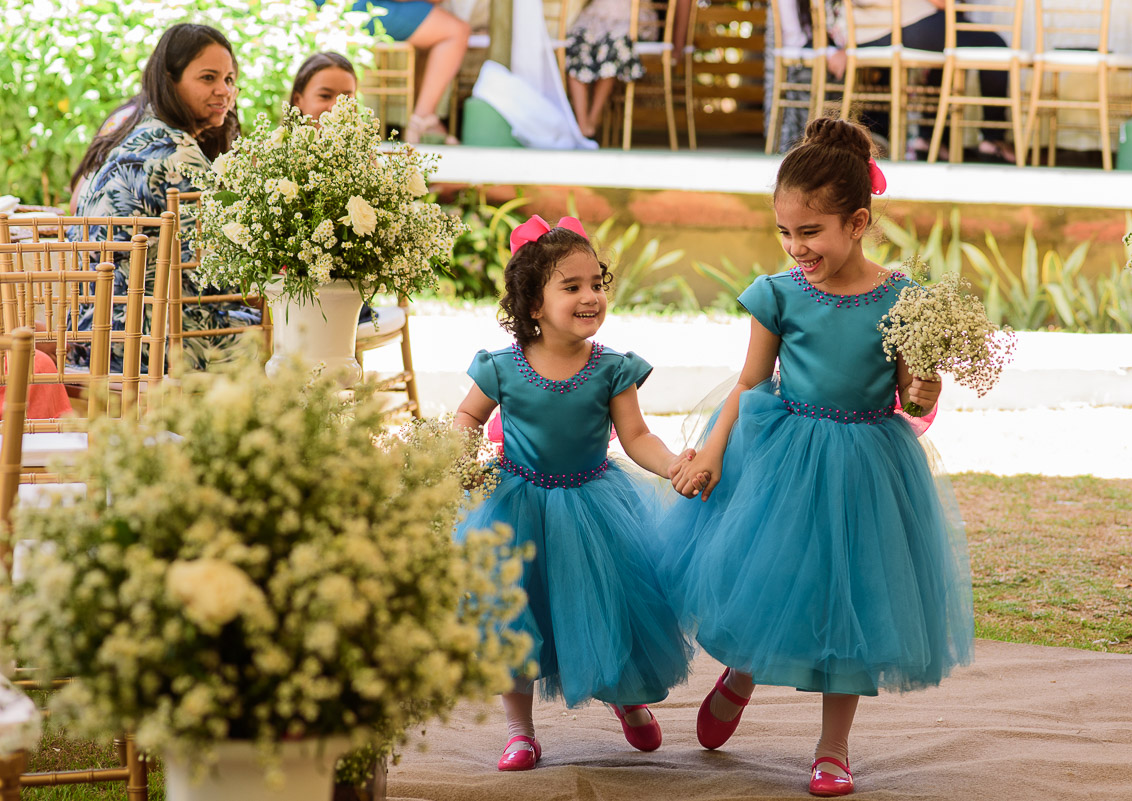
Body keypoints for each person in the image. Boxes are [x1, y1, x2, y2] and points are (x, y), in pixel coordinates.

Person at [662, 117, 975, 797]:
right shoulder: (778, 294)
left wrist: (927, 385)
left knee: (851, 600)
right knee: (769, 575)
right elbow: (750, 384)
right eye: (784, 231)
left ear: (857, 223)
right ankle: (744, 668)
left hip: (867, 464)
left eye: (810, 232)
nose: (795, 246)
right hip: (784, 457)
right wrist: (712, 451)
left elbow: (912, 395)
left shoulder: (903, 300)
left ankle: (833, 747)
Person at [453, 214, 696, 772]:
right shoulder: (502, 367)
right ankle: (520, 731)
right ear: (533, 305)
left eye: (596, 284)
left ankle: (626, 696)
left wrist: (670, 465)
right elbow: (467, 416)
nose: (590, 296)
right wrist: (459, 456)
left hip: (593, 505)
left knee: (613, 606)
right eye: (571, 287)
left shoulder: (612, 368)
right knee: (514, 615)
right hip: (517, 506)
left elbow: (636, 436)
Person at [69, 23, 259, 372]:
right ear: (170, 80)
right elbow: (219, 278)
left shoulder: (128, 130)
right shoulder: (179, 155)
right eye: (208, 78)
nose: (224, 91)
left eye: (229, 79)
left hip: (87, 340)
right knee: (290, 336)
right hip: (148, 345)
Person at [289, 52, 409, 341]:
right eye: (325, 96)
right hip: (291, 297)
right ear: (298, 101)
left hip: (350, 295)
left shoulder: (365, 162)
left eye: (347, 97)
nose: (336, 106)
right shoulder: (281, 157)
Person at [845, 0, 1017, 162]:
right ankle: (993, 139)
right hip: (907, 24)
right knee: (995, 46)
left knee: (944, 49)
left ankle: (930, 138)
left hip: (863, 33)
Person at [352, 0, 468, 144]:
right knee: (456, 31)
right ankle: (422, 121)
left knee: (437, 21)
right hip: (356, 7)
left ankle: (421, 119)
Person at [563, 0, 655, 139]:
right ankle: (582, 125)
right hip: (594, 18)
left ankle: (593, 120)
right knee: (576, 49)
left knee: (612, 51)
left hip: (627, 18)